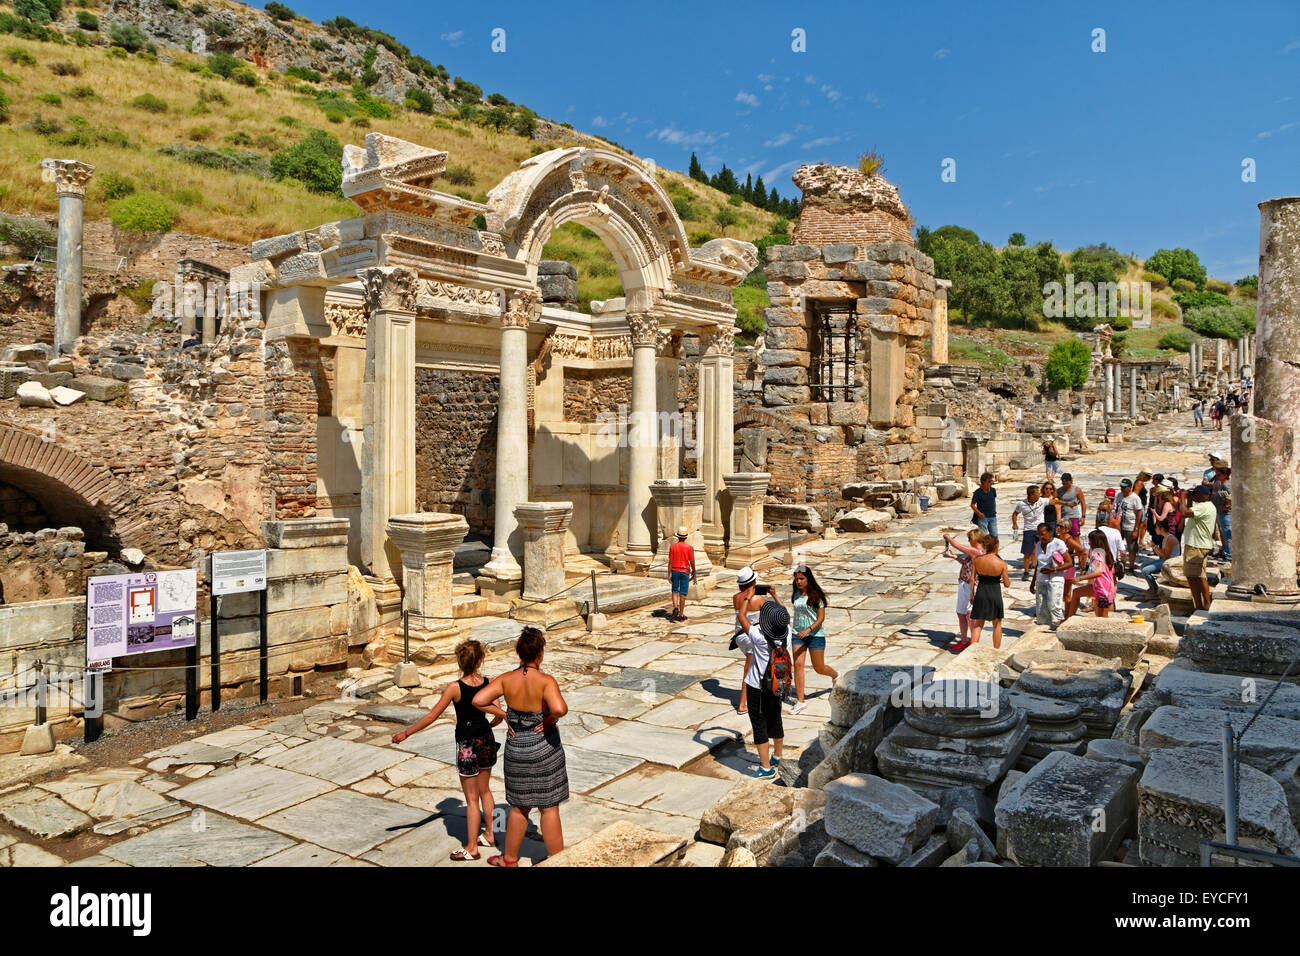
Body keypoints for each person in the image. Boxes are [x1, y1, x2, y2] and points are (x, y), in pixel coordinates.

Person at [392, 639, 505, 861]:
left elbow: (432, 716)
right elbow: (499, 713)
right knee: (485, 791)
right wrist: (490, 725)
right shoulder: (489, 683)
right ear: (480, 659)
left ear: (460, 661)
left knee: (471, 799)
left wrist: (406, 733)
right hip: (486, 739)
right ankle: (490, 834)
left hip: (467, 745)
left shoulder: (455, 688)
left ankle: (472, 847)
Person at [472, 627, 569, 867]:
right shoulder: (546, 681)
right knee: (549, 807)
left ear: (519, 653)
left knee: (518, 807)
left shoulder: (506, 679)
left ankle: (509, 860)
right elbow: (559, 709)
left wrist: (504, 714)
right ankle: (558, 861)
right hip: (545, 748)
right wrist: (547, 720)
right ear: (540, 654)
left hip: (517, 748)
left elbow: (478, 700)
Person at [734, 601, 793, 779]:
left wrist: (747, 598)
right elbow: (784, 618)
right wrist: (775, 595)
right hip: (777, 684)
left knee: (759, 723)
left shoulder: (758, 636)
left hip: (758, 686)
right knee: (775, 717)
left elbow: (741, 617)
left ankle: (766, 768)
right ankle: (777, 756)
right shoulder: (788, 634)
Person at [790, 565, 837, 715]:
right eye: (796, 579)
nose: (798, 581)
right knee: (798, 666)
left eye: (801, 578)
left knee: (819, 668)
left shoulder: (816, 596)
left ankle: (836, 676)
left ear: (808, 579)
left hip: (815, 636)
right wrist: (774, 596)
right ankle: (800, 701)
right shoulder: (796, 594)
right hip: (798, 635)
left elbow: (821, 618)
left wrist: (809, 629)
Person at [731, 567, 766, 715]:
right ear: (753, 582)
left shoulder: (735, 597)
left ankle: (758, 696)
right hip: (752, 637)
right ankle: (742, 704)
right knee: (750, 669)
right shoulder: (759, 599)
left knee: (755, 666)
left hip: (739, 637)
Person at [943, 530, 985, 652]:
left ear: (975, 539)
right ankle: (964, 640)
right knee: (961, 613)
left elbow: (956, 545)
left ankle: (973, 641)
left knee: (969, 615)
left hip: (971, 585)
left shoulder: (977, 551)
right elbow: (967, 564)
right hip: (963, 583)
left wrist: (948, 538)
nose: (968, 541)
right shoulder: (973, 552)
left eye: (969, 538)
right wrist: (955, 557)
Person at [968, 536, 1011, 649]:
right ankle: (996, 651)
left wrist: (971, 594)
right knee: (997, 624)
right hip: (994, 593)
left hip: (981, 592)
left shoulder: (977, 560)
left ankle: (972, 651)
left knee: (978, 624)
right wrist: (1004, 579)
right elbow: (1007, 584)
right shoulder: (1002, 563)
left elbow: (972, 579)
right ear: (996, 545)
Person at [1181, 484, 1217, 612]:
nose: (1194, 496)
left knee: (1198, 577)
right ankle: (1199, 606)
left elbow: (1185, 512)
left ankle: (1205, 605)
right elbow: (1191, 510)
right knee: (1193, 577)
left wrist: (1182, 497)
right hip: (1197, 544)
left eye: (1196, 494)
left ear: (1203, 495)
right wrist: (1190, 499)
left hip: (1197, 545)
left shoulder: (1203, 507)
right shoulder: (1207, 506)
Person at [1067, 530, 1117, 619]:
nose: (1089, 543)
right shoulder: (1106, 553)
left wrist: (1080, 578)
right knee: (1076, 592)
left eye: (1090, 541)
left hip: (1102, 589)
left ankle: (1068, 619)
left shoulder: (1097, 555)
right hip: (1104, 586)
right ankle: (1068, 619)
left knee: (1101, 617)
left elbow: (1098, 572)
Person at [1030, 523, 1067, 627]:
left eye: (1043, 534)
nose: (1041, 537)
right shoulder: (1038, 545)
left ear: (1050, 533)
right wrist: (1033, 583)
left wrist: (1053, 570)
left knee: (1054, 606)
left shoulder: (1058, 543)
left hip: (1055, 579)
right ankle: (1043, 629)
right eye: (1039, 535)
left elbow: (1069, 563)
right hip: (1041, 580)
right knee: (1041, 608)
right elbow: (1038, 565)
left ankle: (1058, 628)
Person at [1011, 484, 1046, 580]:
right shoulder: (1021, 504)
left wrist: (1068, 504)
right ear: (1032, 495)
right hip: (1028, 530)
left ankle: (1038, 568)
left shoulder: (1042, 501)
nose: (1039, 494)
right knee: (1027, 552)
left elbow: (1054, 501)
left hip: (1040, 530)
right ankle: (1026, 571)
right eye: (1037, 492)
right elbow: (1015, 514)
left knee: (1042, 550)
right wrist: (1015, 524)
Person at [1055, 522, 1090, 612]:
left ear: (1067, 529)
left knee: (1066, 593)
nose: (1058, 528)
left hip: (1068, 567)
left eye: (1061, 526)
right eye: (1057, 525)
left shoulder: (1068, 539)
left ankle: (1068, 614)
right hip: (1060, 565)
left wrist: (1071, 555)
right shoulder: (1058, 537)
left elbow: (1082, 550)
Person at [1139, 525, 1181, 599]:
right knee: (1143, 566)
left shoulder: (1170, 539)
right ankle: (1152, 587)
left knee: (1146, 570)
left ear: (1161, 529)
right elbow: (1162, 554)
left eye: (1156, 528)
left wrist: (1154, 546)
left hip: (1169, 562)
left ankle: (1155, 588)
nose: (1155, 529)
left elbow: (1165, 556)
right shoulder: (1165, 537)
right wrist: (1154, 547)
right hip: (1164, 560)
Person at [666, 526, 695, 622]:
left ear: (677, 537)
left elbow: (670, 562)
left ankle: (675, 607)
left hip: (675, 570)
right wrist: (694, 571)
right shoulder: (689, 548)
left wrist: (669, 573)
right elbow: (692, 561)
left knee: (674, 590)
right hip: (685, 571)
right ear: (685, 537)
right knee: (683, 594)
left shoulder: (673, 547)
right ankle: (681, 614)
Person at [1119, 478, 1144, 573]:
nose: (1122, 489)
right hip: (1120, 526)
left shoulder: (1135, 498)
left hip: (1130, 526)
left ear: (1129, 487)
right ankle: (1121, 564)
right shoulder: (1119, 495)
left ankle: (1131, 566)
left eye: (1124, 487)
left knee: (1132, 548)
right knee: (1119, 546)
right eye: (1121, 486)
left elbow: (1139, 513)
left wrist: (1136, 529)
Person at [1210, 465, 1232, 561]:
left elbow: (1232, 497)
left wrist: (1228, 505)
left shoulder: (1226, 485)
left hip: (1226, 514)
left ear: (1225, 475)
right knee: (1225, 534)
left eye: (1219, 475)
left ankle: (1229, 555)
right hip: (1221, 512)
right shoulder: (1223, 484)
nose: (1217, 477)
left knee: (1227, 535)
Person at [1055, 473, 1086, 538]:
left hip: (1074, 516)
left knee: (1075, 536)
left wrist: (1083, 517)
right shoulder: (1059, 491)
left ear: (1071, 481)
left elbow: (1083, 503)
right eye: (1063, 484)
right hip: (1063, 518)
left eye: (1067, 483)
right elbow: (1055, 501)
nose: (1065, 485)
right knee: (1063, 537)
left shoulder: (1077, 490)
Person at [971, 472, 998, 537]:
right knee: (984, 536)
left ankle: (994, 547)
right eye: (989, 481)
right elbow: (972, 505)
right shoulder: (978, 492)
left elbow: (993, 501)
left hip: (992, 516)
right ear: (983, 482)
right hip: (983, 518)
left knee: (994, 535)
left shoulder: (993, 490)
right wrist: (979, 513)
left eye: (991, 481)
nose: (991, 483)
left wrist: (994, 510)